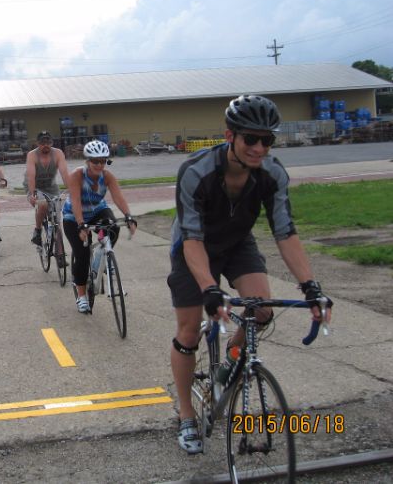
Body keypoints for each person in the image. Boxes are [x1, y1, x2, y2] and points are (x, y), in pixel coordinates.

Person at [167, 94, 334, 455]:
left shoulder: (272, 174)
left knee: (261, 310)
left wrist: (310, 287)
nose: (259, 148)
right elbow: (192, 238)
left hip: (237, 243)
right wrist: (210, 289)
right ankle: (185, 414)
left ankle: (231, 359)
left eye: (267, 140)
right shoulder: (196, 171)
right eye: (251, 139)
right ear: (231, 136)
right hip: (193, 246)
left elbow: (285, 233)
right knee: (189, 330)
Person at [62, 140, 137, 313]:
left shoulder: (107, 176)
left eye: (103, 161)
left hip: (97, 210)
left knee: (113, 227)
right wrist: (81, 225)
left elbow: (118, 197)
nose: (99, 164)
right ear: (87, 161)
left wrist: (129, 216)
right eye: (95, 161)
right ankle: (81, 296)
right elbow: (75, 201)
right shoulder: (77, 176)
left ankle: (104, 254)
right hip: (74, 216)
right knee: (81, 254)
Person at [26, 130, 71, 247]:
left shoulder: (58, 153)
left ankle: (60, 255)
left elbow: (65, 173)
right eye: (42, 143)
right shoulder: (32, 155)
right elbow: (31, 177)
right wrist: (32, 194)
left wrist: (72, 189)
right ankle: (38, 230)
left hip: (51, 188)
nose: (45, 145)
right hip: (35, 187)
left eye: (48, 142)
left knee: (57, 220)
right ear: (37, 143)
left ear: (51, 143)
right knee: (42, 205)